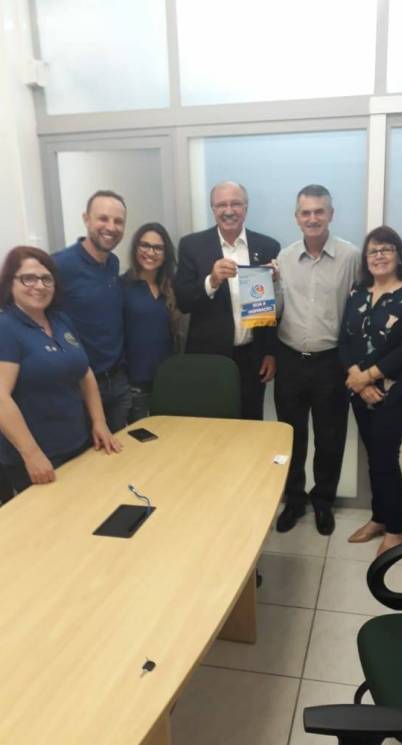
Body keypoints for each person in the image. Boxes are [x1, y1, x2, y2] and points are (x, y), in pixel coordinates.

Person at [0, 246, 121, 493]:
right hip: (39, 458)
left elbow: (85, 373)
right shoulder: (1, 331)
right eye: (28, 278)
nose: (39, 286)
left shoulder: (60, 321)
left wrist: (99, 422)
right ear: (10, 283)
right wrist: (32, 455)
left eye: (46, 279)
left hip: (79, 444)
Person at [274, 184, 360, 535]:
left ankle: (323, 501)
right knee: (290, 438)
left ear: (330, 215)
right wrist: (266, 285)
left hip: (331, 363)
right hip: (290, 360)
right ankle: (294, 500)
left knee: (330, 438)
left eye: (319, 211)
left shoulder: (351, 257)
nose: (312, 218)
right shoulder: (283, 258)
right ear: (297, 217)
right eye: (306, 212)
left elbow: (362, 307)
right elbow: (274, 310)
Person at [339, 226, 402, 556]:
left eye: (386, 249)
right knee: (373, 455)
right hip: (360, 390)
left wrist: (367, 377)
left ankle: (395, 528)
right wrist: (357, 378)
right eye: (373, 251)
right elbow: (344, 340)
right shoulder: (357, 292)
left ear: (399, 256)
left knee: (385, 457)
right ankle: (378, 517)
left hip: (395, 391)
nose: (378, 256)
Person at [174, 181, 280, 420]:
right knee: (211, 426)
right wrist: (211, 281)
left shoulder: (268, 246)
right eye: (222, 205)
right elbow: (183, 301)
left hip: (252, 358)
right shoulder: (192, 246)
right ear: (213, 209)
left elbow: (269, 310)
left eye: (236, 204)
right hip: (209, 358)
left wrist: (270, 352)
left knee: (250, 424)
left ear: (246, 207)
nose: (229, 211)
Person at [53, 190, 130, 433]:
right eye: (103, 218)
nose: (111, 227)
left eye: (118, 221)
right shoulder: (59, 266)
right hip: (79, 384)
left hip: (116, 381)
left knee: (122, 451)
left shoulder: (113, 263)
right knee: (85, 453)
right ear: (86, 219)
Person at [122, 222, 181, 422]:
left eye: (158, 248)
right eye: (145, 245)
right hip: (134, 385)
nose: (150, 252)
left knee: (168, 435)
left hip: (167, 380)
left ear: (165, 253)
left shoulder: (171, 287)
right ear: (135, 248)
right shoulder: (122, 286)